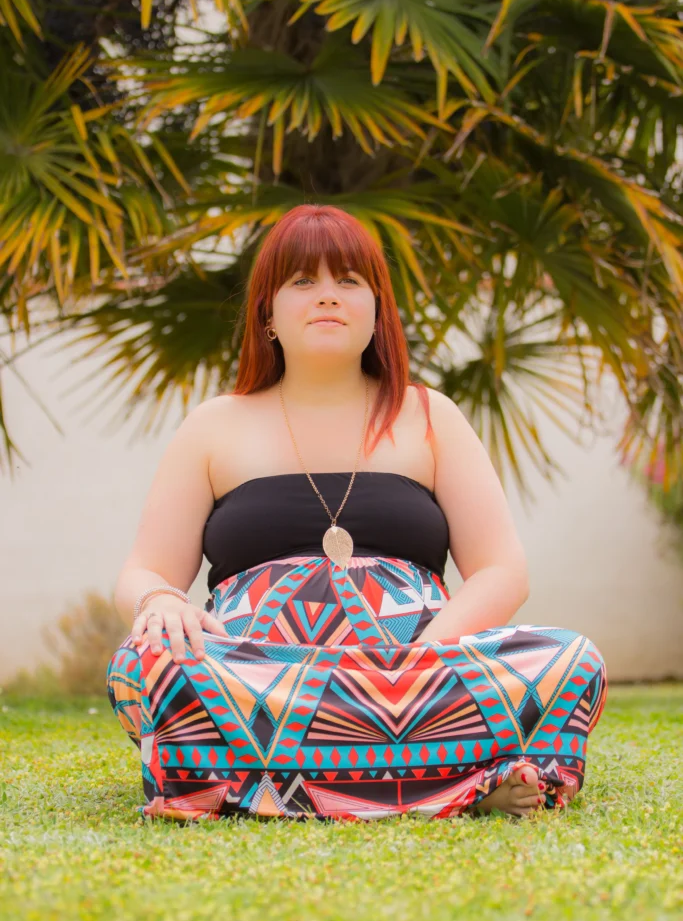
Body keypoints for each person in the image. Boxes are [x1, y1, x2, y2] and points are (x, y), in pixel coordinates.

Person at [107, 204, 608, 823]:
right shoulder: (215, 425)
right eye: (303, 281)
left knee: (572, 658)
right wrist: (158, 602)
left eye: (349, 282)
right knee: (144, 664)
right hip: (262, 680)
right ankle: (452, 785)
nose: (328, 298)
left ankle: (263, 788)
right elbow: (145, 569)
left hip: (424, 674)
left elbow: (504, 572)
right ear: (267, 311)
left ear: (378, 310)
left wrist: (415, 666)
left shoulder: (431, 416)